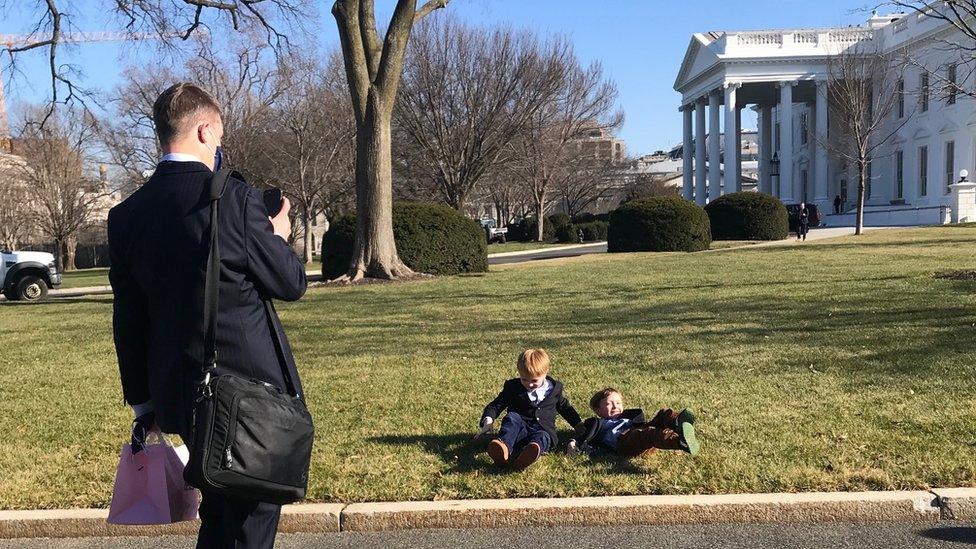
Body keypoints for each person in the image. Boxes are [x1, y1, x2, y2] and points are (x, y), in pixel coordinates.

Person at [108, 83, 307, 549]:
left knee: (220, 513)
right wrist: (277, 235)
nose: (219, 145)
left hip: (177, 393)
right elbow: (291, 282)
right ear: (204, 129)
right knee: (248, 521)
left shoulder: (126, 215)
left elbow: (128, 319)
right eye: (218, 135)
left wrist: (143, 404)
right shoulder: (232, 200)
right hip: (246, 394)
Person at [478, 349, 582, 470]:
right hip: (518, 431)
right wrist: (488, 420)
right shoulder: (513, 387)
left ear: (545, 372)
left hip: (543, 429)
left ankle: (530, 454)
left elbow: (566, 408)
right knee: (512, 417)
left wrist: (578, 425)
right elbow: (496, 405)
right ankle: (504, 448)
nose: (529, 384)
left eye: (534, 380)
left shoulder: (554, 390)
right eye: (524, 379)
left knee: (542, 437)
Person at [567, 388, 699, 458]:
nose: (615, 406)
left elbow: (643, 425)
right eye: (609, 404)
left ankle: (677, 421)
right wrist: (573, 443)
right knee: (648, 434)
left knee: (662, 414)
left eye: (618, 403)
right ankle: (680, 442)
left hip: (639, 434)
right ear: (598, 410)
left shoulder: (629, 418)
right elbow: (583, 434)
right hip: (624, 443)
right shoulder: (597, 423)